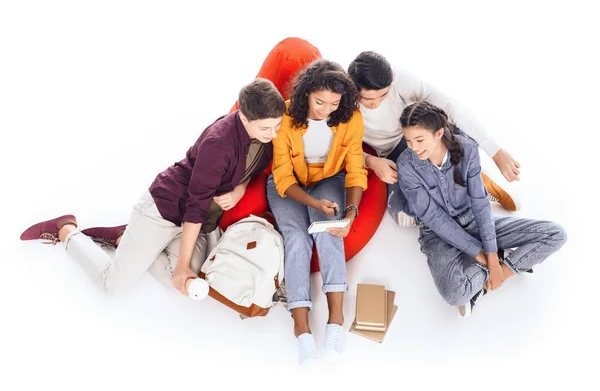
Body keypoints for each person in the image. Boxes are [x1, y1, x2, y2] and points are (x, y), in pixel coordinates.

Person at [20, 78, 286, 296]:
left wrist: (239, 189)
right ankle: (66, 230)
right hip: (165, 210)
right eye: (266, 127)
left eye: (277, 125)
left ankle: (128, 239)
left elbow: (252, 169)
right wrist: (181, 266)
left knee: (192, 278)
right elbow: (195, 206)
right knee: (113, 285)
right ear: (244, 116)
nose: (273, 134)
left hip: (193, 222)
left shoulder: (262, 136)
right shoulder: (219, 144)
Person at [395, 100, 566, 317]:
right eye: (408, 141)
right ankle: (502, 264)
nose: (413, 147)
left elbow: (480, 202)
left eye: (419, 140)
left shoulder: (467, 148)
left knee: (556, 234)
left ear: (438, 133)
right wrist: (483, 257)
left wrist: (497, 264)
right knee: (454, 295)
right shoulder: (406, 164)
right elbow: (433, 217)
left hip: (473, 219)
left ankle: (502, 269)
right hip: (436, 234)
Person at [266, 59, 367, 365]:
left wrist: (350, 214)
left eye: (334, 103)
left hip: (328, 177)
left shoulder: (350, 118)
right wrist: (313, 204)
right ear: (306, 93)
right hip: (288, 185)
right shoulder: (285, 115)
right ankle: (302, 331)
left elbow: (355, 170)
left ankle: (335, 320)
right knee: (297, 240)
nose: (326, 110)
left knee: (328, 229)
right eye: (319, 101)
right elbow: (283, 177)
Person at [347, 52, 521, 227]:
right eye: (368, 99)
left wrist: (496, 152)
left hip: (417, 134)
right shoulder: (340, 101)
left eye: (382, 96)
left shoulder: (399, 79)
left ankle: (472, 179)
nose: (376, 104)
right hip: (392, 153)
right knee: (404, 217)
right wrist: (371, 161)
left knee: (453, 131)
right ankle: (459, 182)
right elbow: (340, 146)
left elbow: (448, 105)